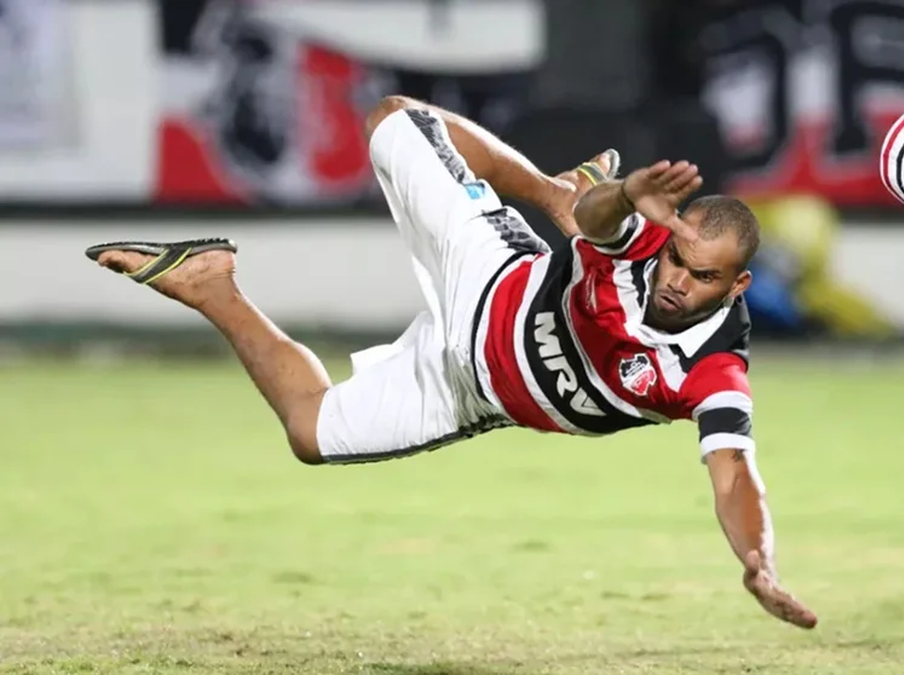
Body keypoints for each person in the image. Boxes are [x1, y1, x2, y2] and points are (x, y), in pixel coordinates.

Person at [85, 96, 818, 630]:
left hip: (472, 392)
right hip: (491, 277)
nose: (680, 280)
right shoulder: (649, 244)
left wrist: (758, 559)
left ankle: (211, 282)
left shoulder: (716, 368)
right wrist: (618, 196)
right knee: (394, 121)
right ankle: (549, 188)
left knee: (311, 432)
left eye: (705, 277)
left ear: (738, 285)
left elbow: (734, 472)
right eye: (681, 260)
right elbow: (605, 224)